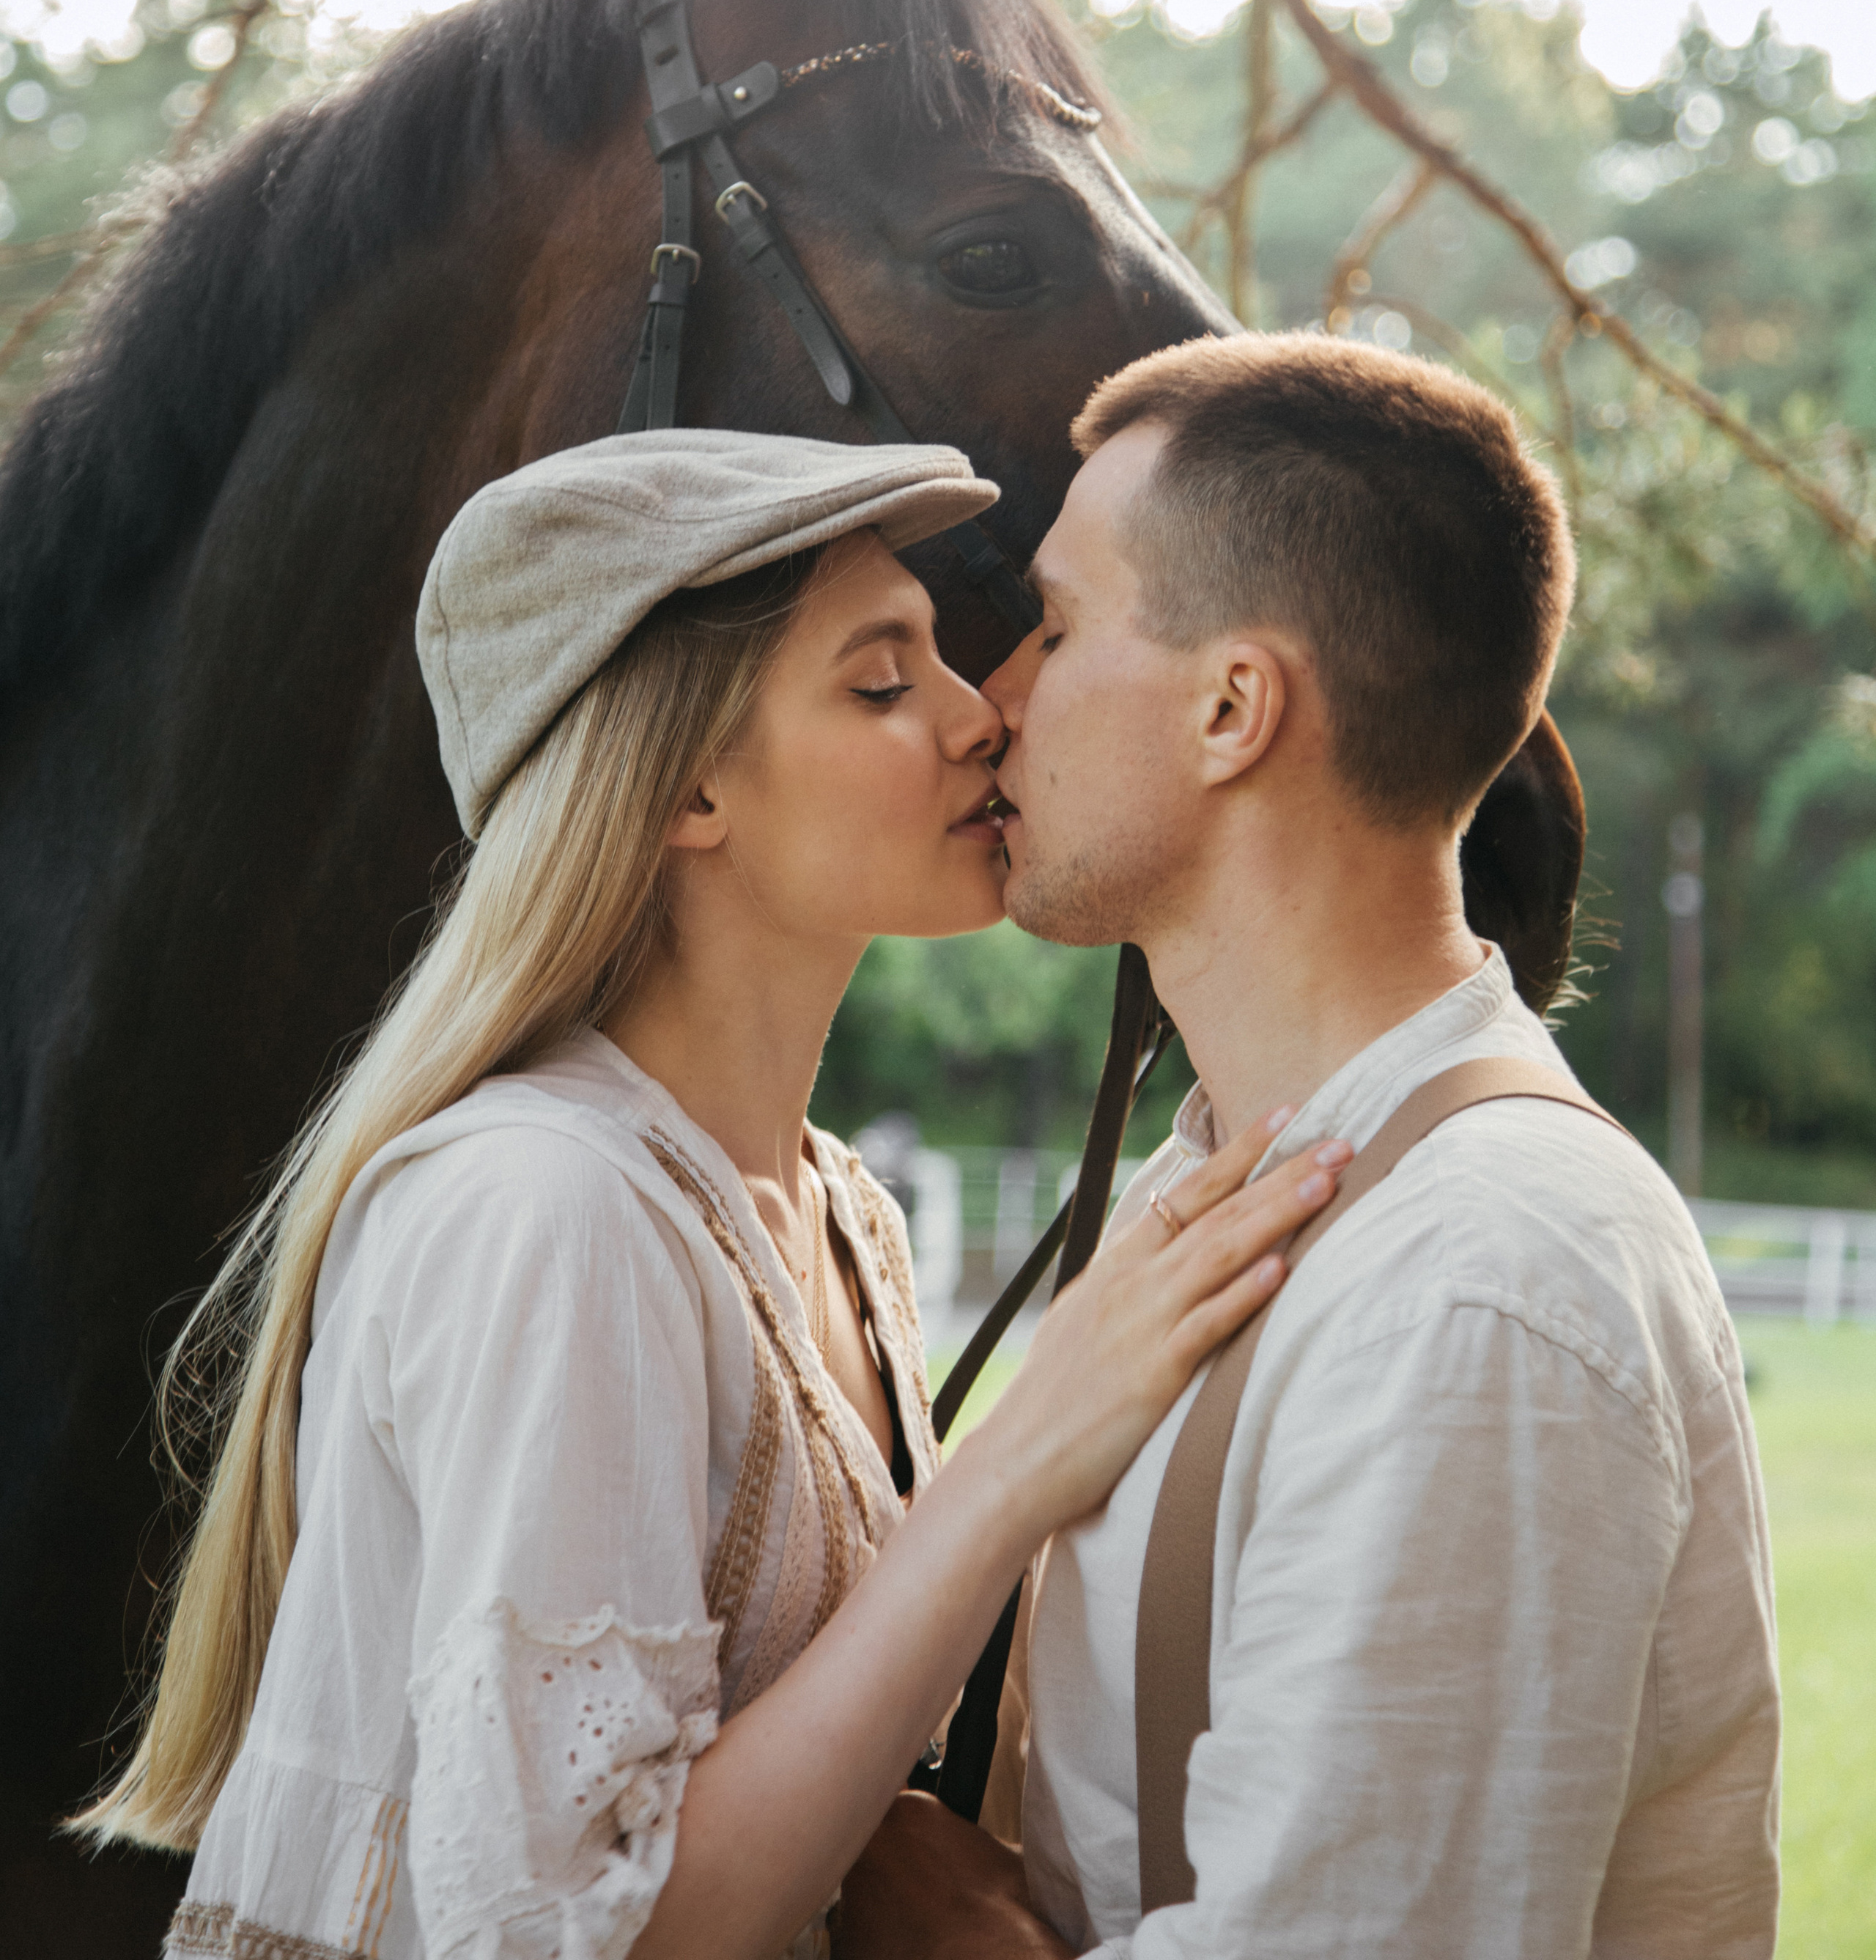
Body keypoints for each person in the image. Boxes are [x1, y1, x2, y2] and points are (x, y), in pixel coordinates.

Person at [77, 426, 1348, 1960]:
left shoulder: (834, 1210)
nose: (978, 716)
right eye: (881, 682)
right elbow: (576, 1935)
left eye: (944, 658)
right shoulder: (544, 1207)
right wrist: (1013, 1468)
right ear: (685, 793)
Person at [837, 334, 1780, 1960]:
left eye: (1054, 632)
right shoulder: (1251, 1177)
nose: (993, 705)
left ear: (1230, 707)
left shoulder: (1475, 1281)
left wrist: (951, 1941)